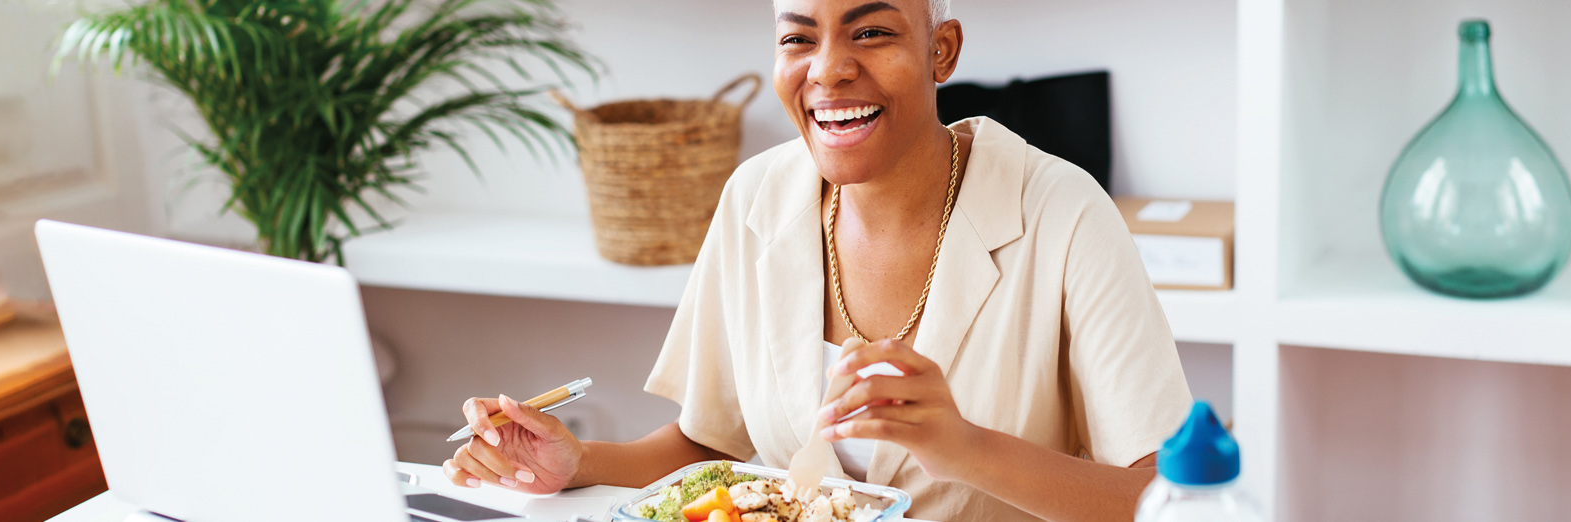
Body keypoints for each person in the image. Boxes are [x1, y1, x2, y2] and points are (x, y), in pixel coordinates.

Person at [443, 1, 1192, 520]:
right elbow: (712, 443)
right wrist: (581, 464)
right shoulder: (754, 198)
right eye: (798, 39)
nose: (828, 70)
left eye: (870, 32)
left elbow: (1168, 501)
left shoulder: (1065, 213)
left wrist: (961, 448)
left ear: (942, 50)